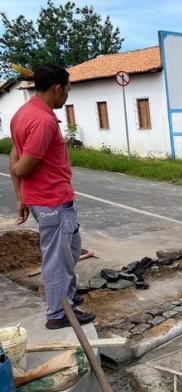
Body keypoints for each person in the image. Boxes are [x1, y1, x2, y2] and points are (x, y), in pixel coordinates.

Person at [9, 64, 95, 329]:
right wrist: (22, 185)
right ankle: (58, 314)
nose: (67, 95)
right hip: (52, 202)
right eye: (67, 90)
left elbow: (14, 153)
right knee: (57, 259)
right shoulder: (44, 121)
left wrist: (21, 196)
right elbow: (20, 165)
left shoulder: (23, 113)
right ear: (57, 88)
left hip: (44, 199)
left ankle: (67, 300)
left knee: (68, 251)